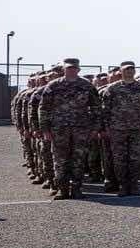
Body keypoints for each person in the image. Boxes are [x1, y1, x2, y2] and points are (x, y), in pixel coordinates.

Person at [38, 58, 102, 199]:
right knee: (60, 160)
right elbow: (44, 108)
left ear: (78, 69)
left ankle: (77, 189)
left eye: (74, 68)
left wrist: (95, 128)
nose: (71, 70)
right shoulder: (53, 85)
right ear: (64, 69)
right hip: (59, 130)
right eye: (68, 68)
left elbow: (96, 108)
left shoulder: (87, 86)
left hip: (81, 129)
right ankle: (63, 189)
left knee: (79, 160)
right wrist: (45, 129)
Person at [99, 61, 140, 196]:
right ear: (121, 72)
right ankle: (123, 185)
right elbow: (105, 110)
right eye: (127, 69)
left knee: (136, 158)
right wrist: (106, 128)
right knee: (119, 159)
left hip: (137, 129)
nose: (129, 71)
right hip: (117, 129)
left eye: (131, 69)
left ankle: (134, 185)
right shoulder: (112, 89)